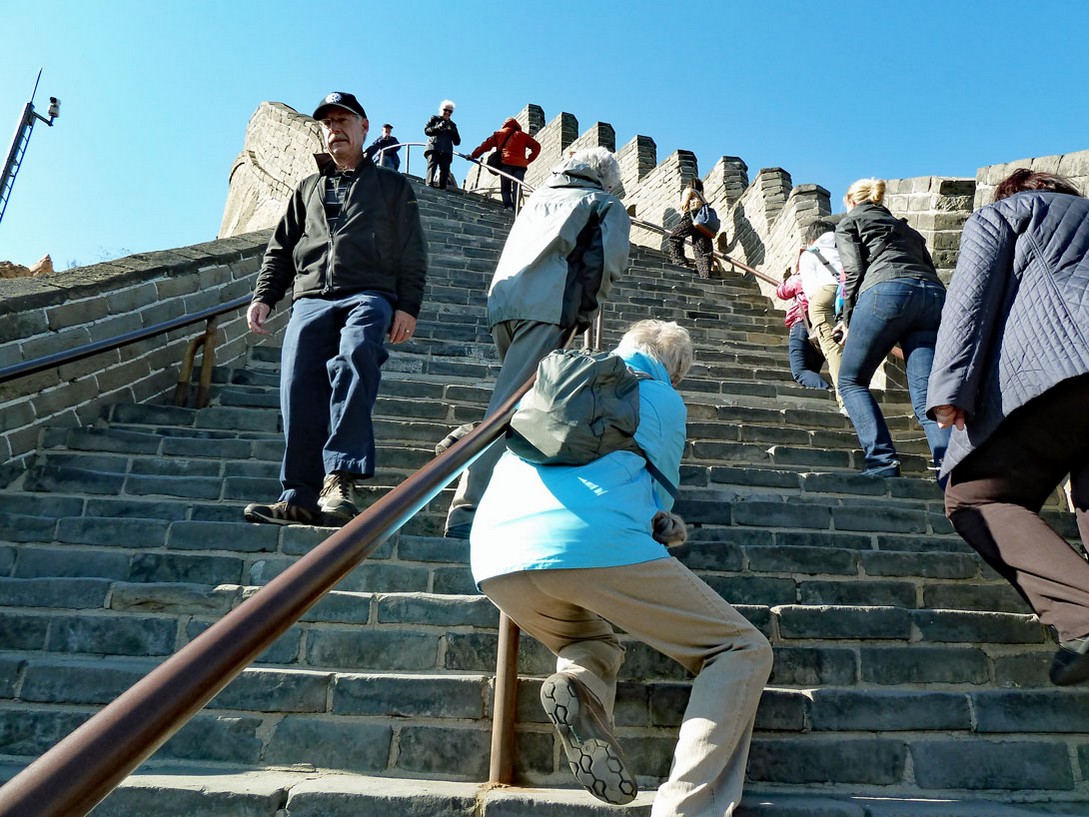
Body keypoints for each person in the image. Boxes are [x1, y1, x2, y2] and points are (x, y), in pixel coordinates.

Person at [471, 319, 773, 815]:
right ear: (675, 368)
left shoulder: (550, 387)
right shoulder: (659, 395)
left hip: (496, 554)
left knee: (589, 642)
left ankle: (580, 685)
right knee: (740, 647)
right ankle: (684, 808)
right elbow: (658, 502)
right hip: (591, 542)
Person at [926, 168, 1089, 686]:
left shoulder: (1011, 211)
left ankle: (1084, 615)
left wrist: (949, 388)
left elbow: (970, 298)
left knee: (973, 498)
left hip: (1062, 370)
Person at [243, 91, 428, 527]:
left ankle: (339, 477)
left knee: (356, 358)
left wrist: (408, 306)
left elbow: (412, 250)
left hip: (369, 293)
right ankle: (298, 495)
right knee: (297, 386)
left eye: (344, 120)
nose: (335, 129)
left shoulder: (392, 186)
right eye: (328, 123)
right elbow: (280, 248)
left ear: (364, 127)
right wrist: (265, 296)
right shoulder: (307, 188)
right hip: (310, 298)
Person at [444, 147, 631, 539]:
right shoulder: (603, 202)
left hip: (505, 305)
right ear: (607, 179)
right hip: (547, 307)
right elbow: (604, 264)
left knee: (525, 401)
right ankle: (467, 507)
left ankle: (504, 488)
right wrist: (585, 311)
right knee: (509, 407)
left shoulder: (541, 195)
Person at [834, 178, 950, 479]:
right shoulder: (908, 230)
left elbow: (854, 272)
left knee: (851, 381)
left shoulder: (850, 222)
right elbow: (929, 270)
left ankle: (882, 460)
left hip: (886, 292)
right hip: (933, 298)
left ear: (851, 201)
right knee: (926, 399)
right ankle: (954, 475)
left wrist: (847, 320)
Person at [797, 219, 847, 411]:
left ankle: (846, 401)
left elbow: (810, 290)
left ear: (811, 239)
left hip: (823, 296)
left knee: (834, 349)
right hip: (847, 295)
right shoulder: (843, 248)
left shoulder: (809, 254)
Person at [776, 267, 831, 390]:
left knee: (800, 371)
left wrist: (791, 276)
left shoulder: (803, 276)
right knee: (811, 371)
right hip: (822, 326)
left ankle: (829, 391)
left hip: (803, 324)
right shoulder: (828, 276)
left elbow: (782, 292)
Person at [469, 117, 542, 210]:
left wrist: (473, 155)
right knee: (517, 186)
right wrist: (528, 160)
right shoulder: (523, 135)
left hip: (506, 163)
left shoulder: (499, 134)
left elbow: (485, 146)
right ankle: (517, 207)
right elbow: (537, 147)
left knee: (505, 187)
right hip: (520, 165)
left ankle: (508, 206)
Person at [667, 178, 715, 278]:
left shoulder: (690, 191)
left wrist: (684, 205)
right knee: (702, 250)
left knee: (674, 237)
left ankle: (679, 261)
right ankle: (705, 275)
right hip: (703, 221)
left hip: (692, 216)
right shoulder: (703, 198)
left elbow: (686, 199)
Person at [424, 100, 460, 189]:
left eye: (450, 111)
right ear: (441, 109)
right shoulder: (434, 119)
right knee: (432, 166)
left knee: (445, 169)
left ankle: (442, 188)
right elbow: (427, 131)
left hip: (446, 151)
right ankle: (429, 184)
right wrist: (438, 127)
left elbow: (457, 142)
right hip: (434, 147)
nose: (447, 113)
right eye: (445, 110)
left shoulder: (452, 125)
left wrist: (452, 132)